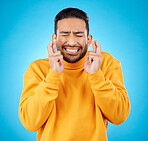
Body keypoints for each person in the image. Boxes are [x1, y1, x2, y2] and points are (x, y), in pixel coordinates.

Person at [19, 8, 130, 141]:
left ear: (88, 39)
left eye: (78, 34)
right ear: (55, 38)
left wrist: (96, 75)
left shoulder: (105, 62)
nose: (72, 42)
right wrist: (53, 75)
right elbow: (30, 122)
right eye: (65, 34)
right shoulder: (38, 69)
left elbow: (120, 115)